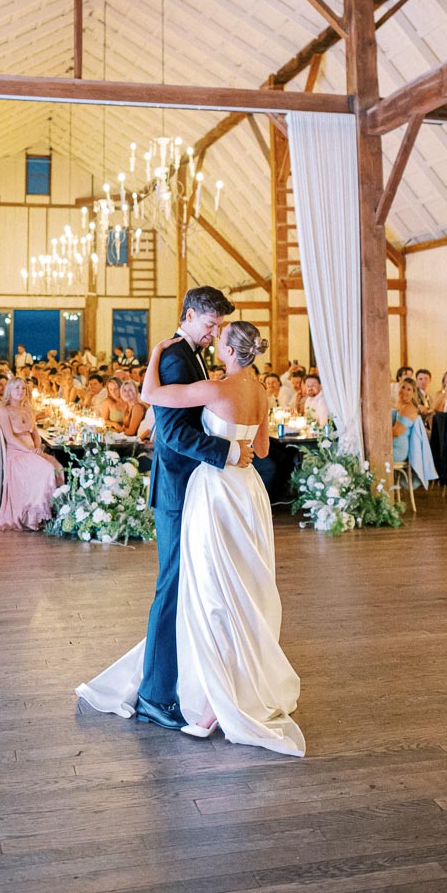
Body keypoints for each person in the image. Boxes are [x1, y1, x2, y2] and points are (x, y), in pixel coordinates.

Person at [77, 314, 304, 757]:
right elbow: (259, 450)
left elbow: (148, 396)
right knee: (245, 588)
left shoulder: (217, 388)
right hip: (249, 493)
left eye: (221, 341)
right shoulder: (261, 391)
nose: (215, 345)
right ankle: (242, 685)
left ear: (230, 352)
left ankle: (213, 694)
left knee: (211, 589)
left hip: (215, 492)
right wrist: (235, 443)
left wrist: (158, 352)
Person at [88, 287, 245, 731]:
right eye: (210, 324)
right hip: (176, 489)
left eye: (218, 327)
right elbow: (173, 434)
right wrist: (226, 451)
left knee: (183, 587)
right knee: (171, 589)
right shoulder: (176, 356)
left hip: (188, 486)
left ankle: (173, 682)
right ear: (190, 315)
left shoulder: (185, 353)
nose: (214, 333)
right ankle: (156, 695)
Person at [0, 378, 63, 531]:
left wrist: (37, 449)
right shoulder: (3, 410)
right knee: (46, 469)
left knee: (57, 466)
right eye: (17, 388)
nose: (20, 391)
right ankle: (33, 517)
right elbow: (10, 438)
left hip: (32, 451)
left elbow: (36, 434)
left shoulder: (28, 409)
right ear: (9, 390)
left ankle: (55, 513)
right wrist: (29, 451)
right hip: (17, 453)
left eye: (23, 388)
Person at [391, 379, 437, 487]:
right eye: (403, 387)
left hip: (398, 450)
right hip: (391, 445)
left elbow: (397, 432)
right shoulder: (398, 405)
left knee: (372, 457)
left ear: (413, 393)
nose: (405, 391)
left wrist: (378, 434)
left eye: (409, 389)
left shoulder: (409, 408)